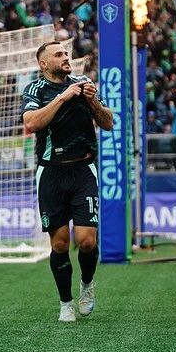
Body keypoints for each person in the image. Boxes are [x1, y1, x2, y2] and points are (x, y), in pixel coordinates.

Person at [21, 41, 114, 322]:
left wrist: (92, 101)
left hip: (83, 170)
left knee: (86, 241)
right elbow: (31, 123)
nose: (65, 57)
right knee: (60, 244)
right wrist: (63, 97)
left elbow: (108, 122)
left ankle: (87, 284)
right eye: (59, 54)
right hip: (51, 173)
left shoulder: (84, 84)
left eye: (66, 54)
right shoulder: (35, 90)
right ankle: (65, 303)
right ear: (43, 64)